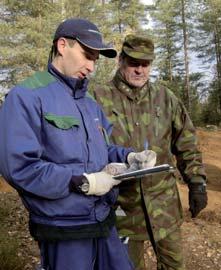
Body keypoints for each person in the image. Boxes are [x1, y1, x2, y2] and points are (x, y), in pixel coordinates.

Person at [0, 19, 156, 270]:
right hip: (64, 228)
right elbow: (19, 167)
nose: (91, 66)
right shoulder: (26, 96)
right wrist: (83, 181)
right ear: (63, 45)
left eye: (95, 59)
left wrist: (129, 157)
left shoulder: (89, 103)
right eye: (87, 55)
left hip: (102, 219)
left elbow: (101, 151)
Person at [93, 34, 208, 270]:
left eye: (145, 64)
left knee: (174, 265)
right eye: (134, 63)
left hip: (163, 204)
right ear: (121, 61)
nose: (140, 70)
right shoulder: (98, 98)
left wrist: (197, 182)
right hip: (122, 210)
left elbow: (187, 142)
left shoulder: (165, 98)